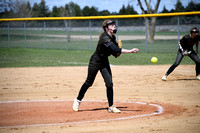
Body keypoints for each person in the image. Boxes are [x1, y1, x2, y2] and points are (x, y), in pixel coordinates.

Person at [73, 20, 139, 113]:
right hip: (95, 61)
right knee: (89, 82)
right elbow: (114, 49)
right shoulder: (104, 37)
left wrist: (118, 53)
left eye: (114, 24)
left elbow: (115, 54)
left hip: (104, 62)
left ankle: (111, 106)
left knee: (109, 83)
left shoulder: (113, 38)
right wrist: (129, 51)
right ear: (106, 28)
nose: (114, 26)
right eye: (111, 25)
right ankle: (78, 100)